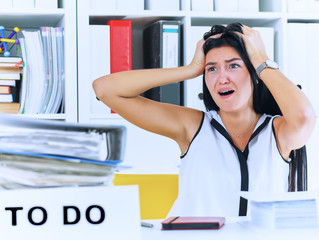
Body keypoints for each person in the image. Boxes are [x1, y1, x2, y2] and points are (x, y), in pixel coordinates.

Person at [93, 23, 316, 217]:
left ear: (254, 72)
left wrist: (262, 60)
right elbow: (105, 89)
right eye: (212, 69)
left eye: (233, 65)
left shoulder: (278, 132)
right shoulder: (193, 127)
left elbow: (304, 116)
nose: (222, 78)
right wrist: (190, 69)